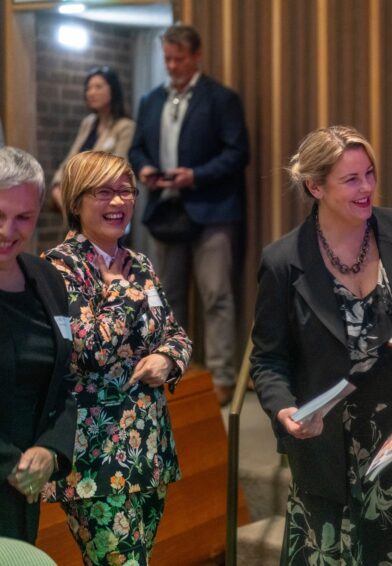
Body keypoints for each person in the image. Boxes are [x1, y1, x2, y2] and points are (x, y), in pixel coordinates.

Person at [250, 126, 392, 565]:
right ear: (315, 186)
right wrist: (284, 410)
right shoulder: (282, 261)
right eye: (351, 179)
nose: (367, 187)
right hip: (335, 447)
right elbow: (268, 358)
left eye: (370, 173)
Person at [42, 151, 192, 565]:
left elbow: (175, 334)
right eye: (104, 192)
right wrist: (120, 291)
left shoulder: (140, 263)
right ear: (76, 202)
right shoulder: (59, 268)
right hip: (96, 458)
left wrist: (167, 360)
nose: (118, 202)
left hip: (148, 448)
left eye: (126, 191)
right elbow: (86, 350)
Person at [129, 24, 249, 406]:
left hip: (213, 209)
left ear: (197, 56)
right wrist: (146, 169)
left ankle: (223, 376)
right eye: (167, 58)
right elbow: (137, 148)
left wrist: (194, 176)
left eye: (179, 58)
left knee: (216, 296)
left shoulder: (221, 98)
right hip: (165, 209)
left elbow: (237, 153)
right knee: (166, 296)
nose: (172, 65)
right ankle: (172, 368)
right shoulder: (150, 100)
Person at [0, 147, 76, 544]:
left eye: (22, 217)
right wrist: (12, 463)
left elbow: (63, 379)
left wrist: (51, 449)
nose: (8, 230)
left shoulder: (46, 278)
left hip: (26, 485)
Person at [50, 66, 135, 212]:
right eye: (88, 88)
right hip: (76, 203)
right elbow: (71, 159)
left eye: (98, 87)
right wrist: (58, 185)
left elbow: (117, 172)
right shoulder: (88, 123)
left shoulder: (125, 127)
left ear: (113, 90)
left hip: (104, 205)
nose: (91, 93)